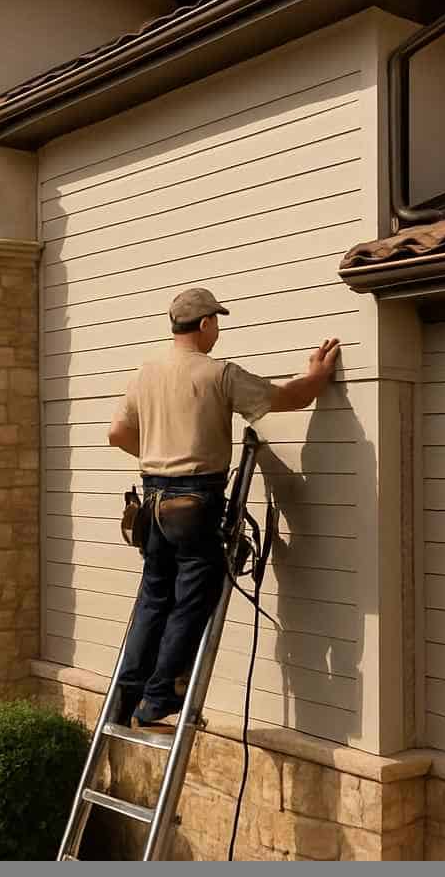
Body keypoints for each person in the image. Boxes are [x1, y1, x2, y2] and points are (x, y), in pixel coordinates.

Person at [107, 287, 341, 729]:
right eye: (216, 321)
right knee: (192, 601)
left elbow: (117, 433)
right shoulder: (219, 374)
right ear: (204, 324)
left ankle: (124, 701)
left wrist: (158, 455)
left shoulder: (145, 373)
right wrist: (316, 376)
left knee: (153, 600)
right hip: (194, 503)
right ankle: (159, 699)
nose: (218, 329)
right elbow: (287, 398)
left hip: (152, 501)